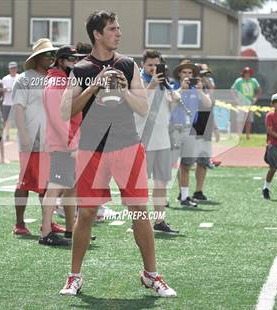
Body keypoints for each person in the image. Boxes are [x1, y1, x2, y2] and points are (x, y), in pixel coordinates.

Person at [59, 10, 176, 297]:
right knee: (86, 213)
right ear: (97, 34)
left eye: (118, 28)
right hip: (93, 149)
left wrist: (124, 91)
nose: (119, 33)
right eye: (113, 28)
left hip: (127, 145)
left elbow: (143, 108)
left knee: (139, 212)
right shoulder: (82, 69)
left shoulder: (127, 65)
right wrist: (93, 88)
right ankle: (74, 276)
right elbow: (65, 111)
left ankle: (151, 275)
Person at [11, 38, 64, 235]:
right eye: (47, 54)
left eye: (53, 54)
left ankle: (47, 223)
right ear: (37, 57)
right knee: (24, 182)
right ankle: (19, 223)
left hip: (51, 140)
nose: (51, 57)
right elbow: (17, 107)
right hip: (31, 139)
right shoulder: (24, 78)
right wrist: (23, 134)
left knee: (48, 183)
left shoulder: (55, 78)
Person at [40, 46, 83, 246]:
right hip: (63, 143)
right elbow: (59, 117)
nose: (75, 62)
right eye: (71, 59)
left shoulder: (62, 79)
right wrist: (71, 144)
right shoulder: (57, 81)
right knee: (55, 187)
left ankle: (69, 229)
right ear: (60, 60)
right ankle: (46, 232)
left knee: (70, 187)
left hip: (67, 140)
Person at [135, 49, 179, 234]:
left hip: (162, 141)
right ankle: (138, 220)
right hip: (143, 140)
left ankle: (160, 221)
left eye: (157, 65)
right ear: (143, 65)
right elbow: (137, 104)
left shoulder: (165, 84)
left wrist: (175, 98)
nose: (153, 68)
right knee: (140, 186)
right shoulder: (138, 81)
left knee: (161, 184)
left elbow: (169, 110)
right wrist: (152, 85)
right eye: (150, 65)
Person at [171, 61, 213, 206]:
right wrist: (182, 89)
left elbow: (208, 104)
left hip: (190, 130)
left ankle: (184, 197)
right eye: (184, 73)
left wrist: (200, 91)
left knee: (186, 165)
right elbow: (171, 100)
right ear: (179, 74)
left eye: (190, 73)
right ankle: (163, 198)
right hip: (175, 130)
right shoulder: (173, 87)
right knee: (169, 165)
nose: (187, 76)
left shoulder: (196, 90)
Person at [231, 67, 262, 140]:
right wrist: (236, 99)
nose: (247, 74)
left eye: (248, 72)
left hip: (250, 102)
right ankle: (239, 135)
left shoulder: (254, 81)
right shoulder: (239, 81)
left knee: (249, 120)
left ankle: (248, 135)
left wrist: (255, 98)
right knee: (240, 119)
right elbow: (232, 90)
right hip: (241, 102)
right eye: (246, 72)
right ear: (243, 73)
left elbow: (259, 90)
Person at [1, 61, 19, 141]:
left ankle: (18, 135)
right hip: (7, 102)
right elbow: (2, 90)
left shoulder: (20, 77)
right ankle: (7, 135)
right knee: (6, 120)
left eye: (14, 68)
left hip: (17, 102)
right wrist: (5, 90)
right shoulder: (5, 78)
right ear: (9, 69)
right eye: (11, 68)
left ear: (16, 69)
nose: (13, 70)